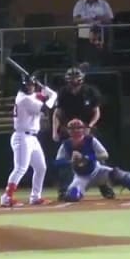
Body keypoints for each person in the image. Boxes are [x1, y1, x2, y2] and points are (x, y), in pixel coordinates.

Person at [54, 119, 130, 202]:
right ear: (68, 131)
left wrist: (87, 158)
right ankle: (66, 191)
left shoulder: (90, 140)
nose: (76, 131)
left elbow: (104, 155)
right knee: (72, 196)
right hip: (81, 177)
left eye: (78, 128)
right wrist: (70, 161)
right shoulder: (66, 144)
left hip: (97, 171)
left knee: (118, 173)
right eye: (72, 129)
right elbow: (57, 162)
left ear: (83, 129)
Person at [53, 67, 115, 200]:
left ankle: (105, 187)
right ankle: (64, 189)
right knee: (65, 161)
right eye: (71, 79)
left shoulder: (90, 91)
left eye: (76, 79)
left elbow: (96, 111)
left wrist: (90, 126)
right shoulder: (63, 92)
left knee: (99, 157)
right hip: (69, 129)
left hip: (86, 128)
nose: (74, 82)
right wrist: (55, 131)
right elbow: (57, 113)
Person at [1, 77, 58, 207]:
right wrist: (53, 95)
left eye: (32, 85)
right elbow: (45, 109)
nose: (31, 87)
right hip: (22, 137)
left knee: (41, 167)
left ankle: (35, 197)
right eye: (28, 85)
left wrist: (45, 93)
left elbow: (38, 96)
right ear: (22, 86)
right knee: (20, 168)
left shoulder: (29, 96)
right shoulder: (24, 99)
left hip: (32, 138)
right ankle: (6, 197)